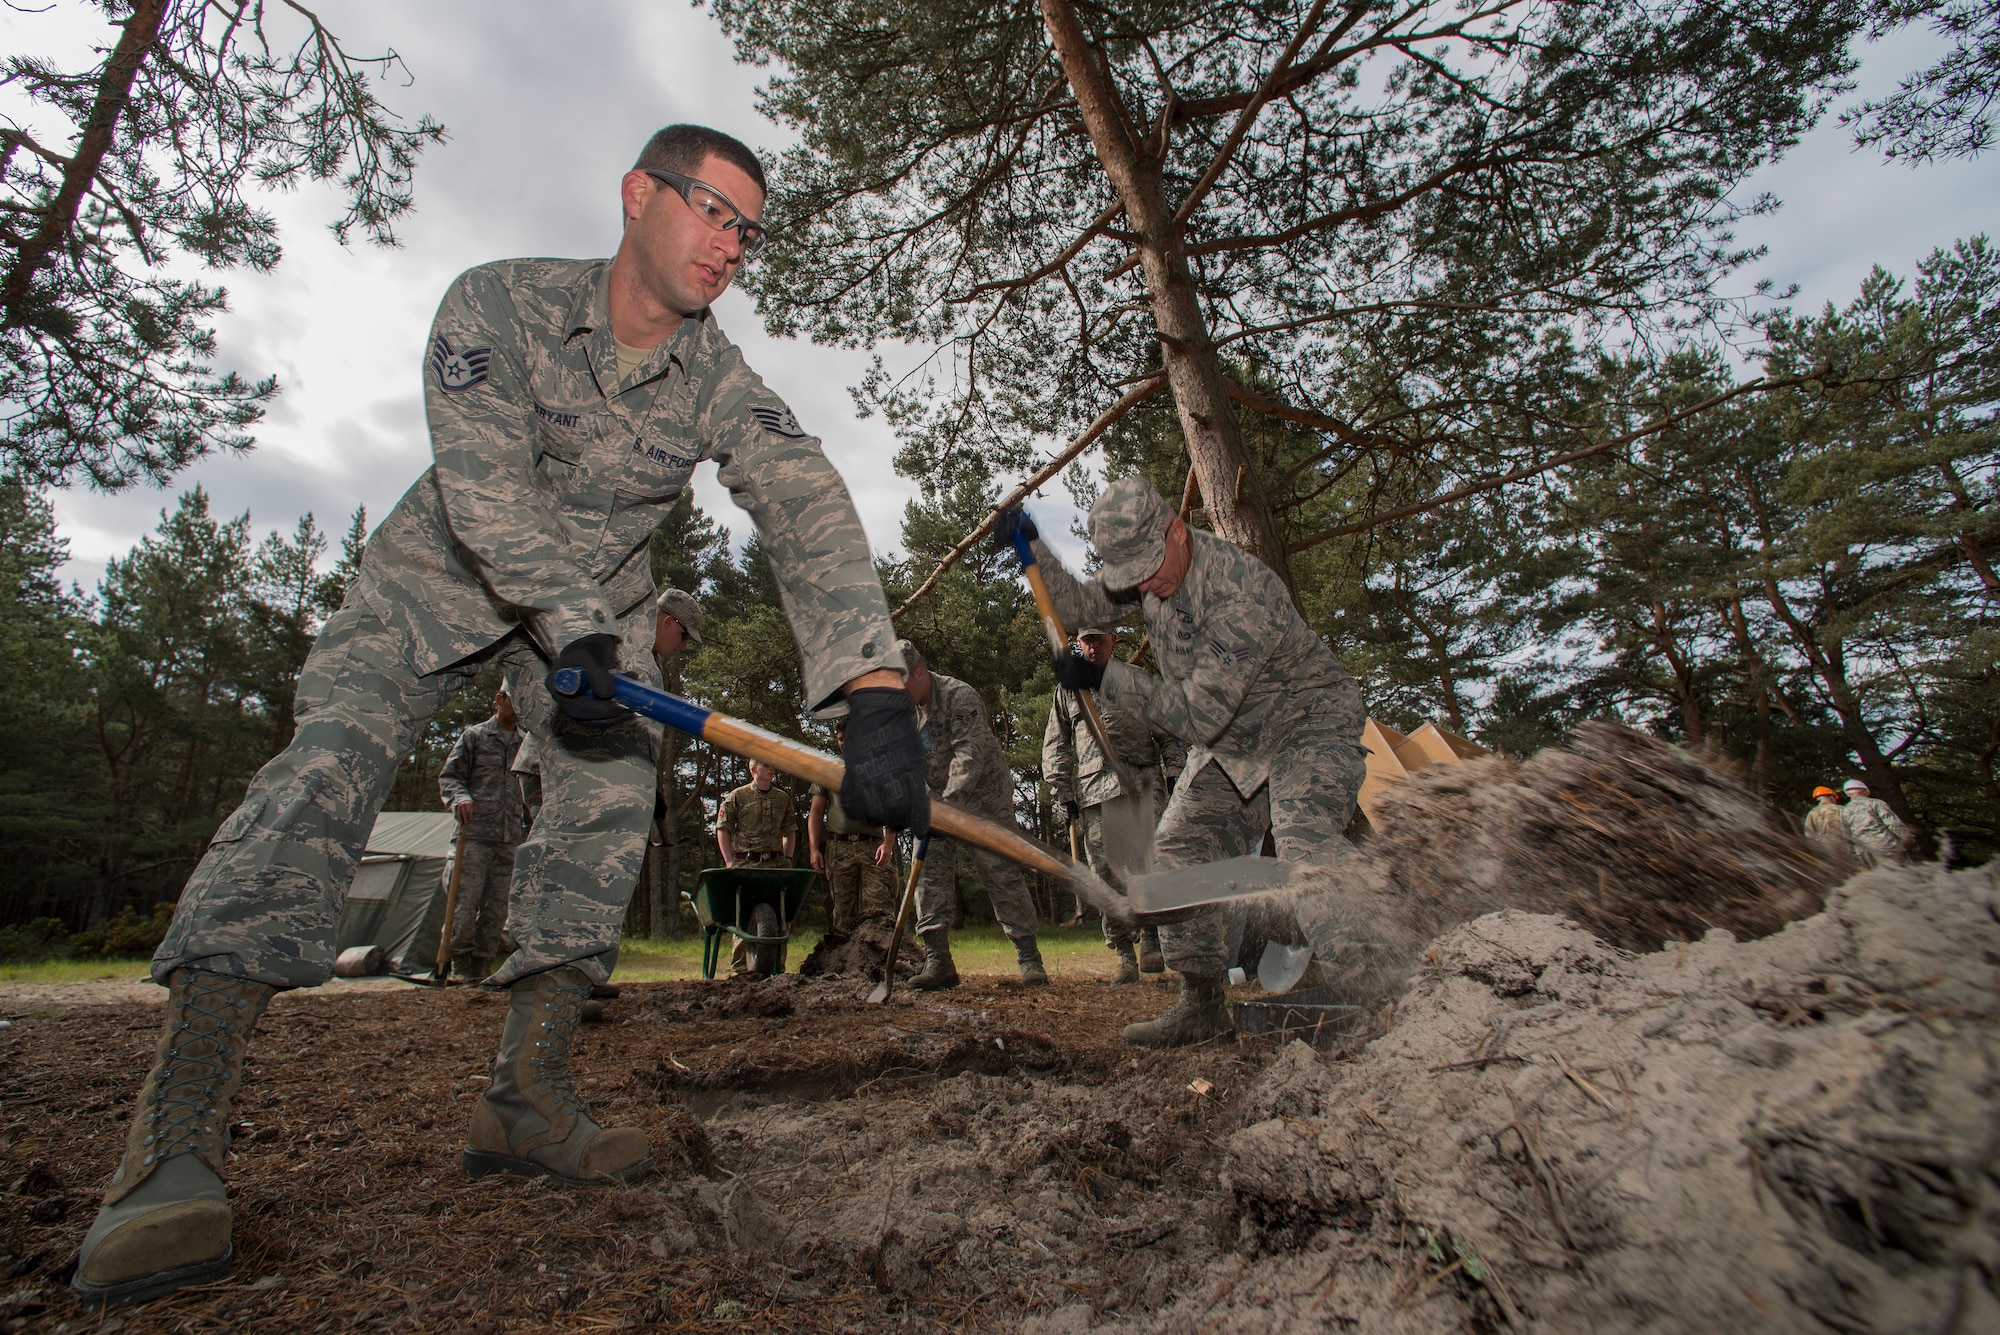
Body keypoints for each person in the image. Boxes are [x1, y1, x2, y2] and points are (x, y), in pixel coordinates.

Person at [72, 124, 930, 1310]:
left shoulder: (719, 380)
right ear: (637, 195)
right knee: (323, 772)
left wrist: (873, 698)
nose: (730, 244)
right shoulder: (499, 303)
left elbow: (805, 501)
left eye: (748, 228)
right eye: (710, 209)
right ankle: (172, 1142)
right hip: (440, 582)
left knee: (614, 792)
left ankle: (525, 1099)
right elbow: (481, 484)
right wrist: (573, 622)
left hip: (594, 626)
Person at [996, 478, 1367, 1048]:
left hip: (1304, 724)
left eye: (1149, 568)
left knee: (1304, 846)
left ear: (1176, 529)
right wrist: (1032, 551)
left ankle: (1368, 987)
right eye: (1132, 577)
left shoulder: (1239, 589)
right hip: (1235, 744)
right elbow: (1077, 606)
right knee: (1172, 863)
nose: (1145, 586)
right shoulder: (1147, 572)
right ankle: (1201, 1003)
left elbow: (1199, 715)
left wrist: (1103, 677)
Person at [897, 639, 1049, 989]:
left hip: (984, 799)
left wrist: (948, 805)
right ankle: (938, 960)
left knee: (1002, 873)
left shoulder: (959, 696)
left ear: (918, 671)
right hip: (936, 801)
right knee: (928, 873)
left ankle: (1029, 957)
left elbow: (969, 757)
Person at [1042, 626, 1175, 982]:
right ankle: (1125, 955)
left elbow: (1168, 729)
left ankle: (1151, 939)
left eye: (1100, 638)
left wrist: (1176, 772)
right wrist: (1061, 792)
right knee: (1104, 873)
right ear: (1078, 643)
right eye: (1086, 640)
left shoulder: (1138, 680)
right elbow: (1056, 743)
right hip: (1094, 790)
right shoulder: (1068, 688)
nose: (1093, 645)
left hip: (1141, 783)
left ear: (1114, 640)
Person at [438, 686, 531, 980]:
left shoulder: (526, 744)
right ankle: (459, 967)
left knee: (497, 909)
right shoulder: (474, 737)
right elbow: (450, 778)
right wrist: (460, 798)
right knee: (464, 905)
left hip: (510, 839)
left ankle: (482, 967)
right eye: (514, 699)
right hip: (475, 836)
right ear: (499, 698)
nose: (518, 708)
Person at [809, 718, 900, 935]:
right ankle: (843, 963)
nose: (844, 743)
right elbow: (815, 812)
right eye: (840, 739)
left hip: (873, 848)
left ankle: (882, 960)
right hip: (839, 849)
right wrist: (814, 849)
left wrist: (888, 843)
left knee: (879, 910)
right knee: (843, 913)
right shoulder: (828, 769)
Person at [716, 761, 799, 975]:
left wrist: (788, 857)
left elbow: (789, 831)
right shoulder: (737, 797)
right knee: (743, 917)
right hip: (746, 864)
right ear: (753, 769)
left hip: (775, 865)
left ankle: (777, 969)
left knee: (780, 917)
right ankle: (741, 970)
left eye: (773, 766)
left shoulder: (782, 799)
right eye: (765, 765)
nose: (771, 769)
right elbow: (723, 829)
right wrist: (729, 861)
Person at [1840, 778, 1913, 866]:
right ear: (1865, 791)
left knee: (1879, 878)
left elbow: (1846, 834)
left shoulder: (1844, 810)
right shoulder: (1876, 803)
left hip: (1864, 852)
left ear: (1848, 794)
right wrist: (1907, 838)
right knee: (1903, 874)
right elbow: (1893, 824)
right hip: (1886, 846)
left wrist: (1853, 854)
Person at [1802, 785, 1854, 858]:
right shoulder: (1841, 809)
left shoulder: (1812, 813)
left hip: (1825, 849)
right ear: (1831, 797)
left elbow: (1809, 834)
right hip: (1845, 846)